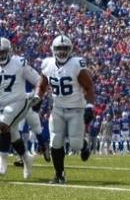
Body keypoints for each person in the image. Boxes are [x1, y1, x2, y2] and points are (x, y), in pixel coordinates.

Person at [34, 35, 96, 184]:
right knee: (55, 141)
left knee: (75, 144)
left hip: (76, 108)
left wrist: (89, 106)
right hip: (57, 108)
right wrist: (37, 97)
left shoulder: (76, 64)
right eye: (59, 48)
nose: (62, 52)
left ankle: (83, 143)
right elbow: (42, 85)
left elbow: (89, 87)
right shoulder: (48, 64)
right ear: (53, 50)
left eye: (65, 48)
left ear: (71, 49)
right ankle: (59, 175)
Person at [0, 38, 40, 179]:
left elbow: (38, 80)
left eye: (3, 52)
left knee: (3, 125)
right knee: (12, 132)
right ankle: (26, 158)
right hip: (2, 105)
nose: (1, 55)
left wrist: (37, 96)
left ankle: (2, 159)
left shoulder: (19, 63)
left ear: (9, 51)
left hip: (19, 102)